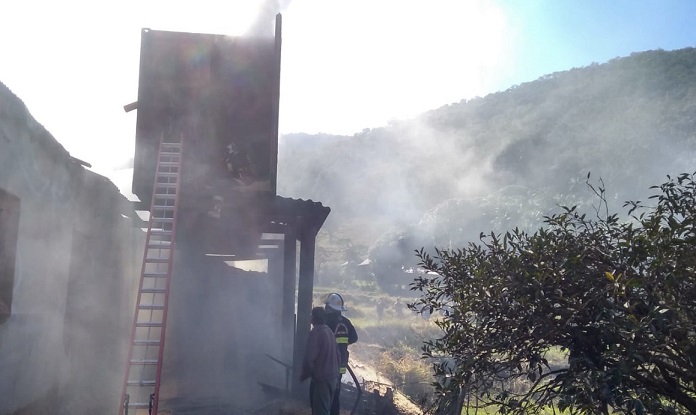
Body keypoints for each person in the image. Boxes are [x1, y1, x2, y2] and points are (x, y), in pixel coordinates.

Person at [300, 306, 340, 415]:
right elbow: (338, 355)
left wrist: (304, 375)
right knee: (326, 409)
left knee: (320, 412)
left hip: (322, 379)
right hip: (332, 378)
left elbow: (310, 358)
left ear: (313, 318)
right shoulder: (329, 332)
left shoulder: (316, 333)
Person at [323, 293, 358, 415]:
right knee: (336, 393)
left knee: (324, 394)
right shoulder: (346, 322)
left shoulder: (326, 322)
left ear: (330, 307)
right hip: (341, 363)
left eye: (326, 306)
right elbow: (354, 337)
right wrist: (343, 345)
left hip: (327, 363)